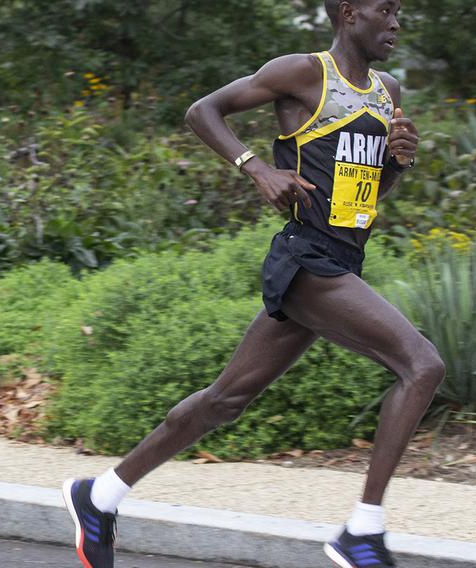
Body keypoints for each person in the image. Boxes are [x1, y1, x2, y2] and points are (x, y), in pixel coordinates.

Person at [62, 1, 443, 567]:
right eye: (383, 10)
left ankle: (100, 495)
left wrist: (397, 165)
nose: (395, 22)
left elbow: (363, 196)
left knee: (226, 399)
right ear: (348, 13)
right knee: (423, 365)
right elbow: (202, 111)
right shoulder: (303, 73)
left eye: (398, 12)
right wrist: (255, 166)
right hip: (308, 259)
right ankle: (362, 530)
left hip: (341, 256)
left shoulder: (386, 90)